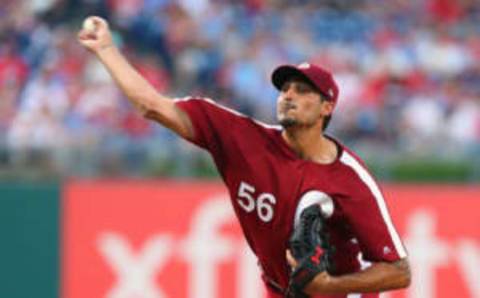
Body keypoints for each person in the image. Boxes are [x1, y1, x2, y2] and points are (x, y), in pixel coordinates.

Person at [78, 16, 411, 298]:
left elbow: (399, 271)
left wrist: (330, 286)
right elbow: (151, 105)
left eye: (303, 90)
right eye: (285, 89)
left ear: (327, 107)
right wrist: (106, 49)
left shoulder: (349, 179)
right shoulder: (242, 139)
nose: (289, 96)